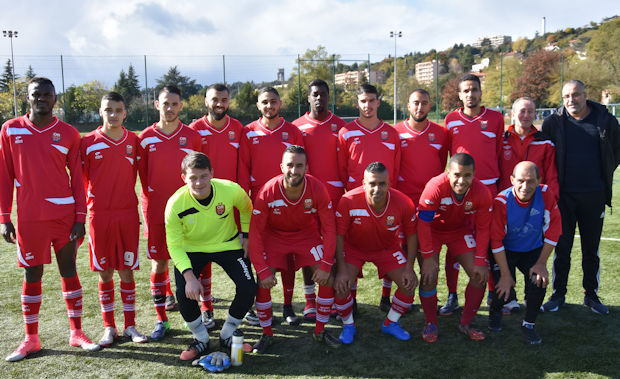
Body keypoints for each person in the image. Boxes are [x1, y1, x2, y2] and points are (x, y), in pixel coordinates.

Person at [1, 77, 99, 362]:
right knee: (32, 274)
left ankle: (77, 332)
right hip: (30, 218)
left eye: (47, 94)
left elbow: (79, 182)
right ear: (28, 97)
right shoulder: (10, 130)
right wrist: (4, 217)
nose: (42, 98)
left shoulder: (69, 133)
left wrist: (80, 216)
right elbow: (4, 176)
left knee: (68, 270)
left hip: (64, 216)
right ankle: (31, 338)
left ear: (55, 99)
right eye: (36, 94)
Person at [249, 145, 341, 353]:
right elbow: (255, 233)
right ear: (282, 166)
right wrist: (262, 269)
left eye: (299, 166)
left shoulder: (317, 188)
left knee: (327, 276)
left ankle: (320, 330)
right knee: (262, 281)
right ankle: (267, 334)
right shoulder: (267, 192)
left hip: (306, 235)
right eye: (289, 165)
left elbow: (328, 228)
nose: (294, 170)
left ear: (307, 167)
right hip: (274, 236)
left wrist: (326, 264)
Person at [165, 152, 256, 360]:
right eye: (193, 177)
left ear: (212, 174)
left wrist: (247, 236)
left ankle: (227, 334)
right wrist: (189, 278)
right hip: (191, 249)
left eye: (204, 176)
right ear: (183, 178)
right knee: (183, 292)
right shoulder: (175, 204)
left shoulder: (230, 189)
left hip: (228, 244)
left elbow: (247, 208)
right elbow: (175, 245)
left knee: (248, 287)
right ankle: (201, 339)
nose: (199, 182)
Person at [541, 80, 620, 315]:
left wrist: (600, 175)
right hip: (563, 196)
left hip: (594, 195)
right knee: (561, 246)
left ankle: (591, 294)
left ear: (586, 95)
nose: (570, 100)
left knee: (591, 248)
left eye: (575, 95)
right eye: (566, 96)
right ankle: (558, 294)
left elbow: (615, 152)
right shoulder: (553, 122)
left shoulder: (605, 119)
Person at [80, 92, 148, 346]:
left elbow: (140, 177)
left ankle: (130, 326)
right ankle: (109, 327)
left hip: (127, 214)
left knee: (127, 270)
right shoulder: (87, 142)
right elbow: (83, 180)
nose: (113, 114)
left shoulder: (134, 141)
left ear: (125, 113)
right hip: (100, 215)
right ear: (101, 112)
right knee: (105, 271)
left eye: (118, 110)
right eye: (108, 110)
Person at [138, 85, 202, 340]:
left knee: (191, 258)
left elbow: (198, 174)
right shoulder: (145, 137)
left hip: (187, 207)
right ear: (157, 105)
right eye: (165, 103)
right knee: (160, 261)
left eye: (175, 104)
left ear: (181, 106)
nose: (170, 108)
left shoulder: (192, 136)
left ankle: (194, 315)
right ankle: (161, 319)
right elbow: (142, 177)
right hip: (155, 208)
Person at [238, 87, 305, 325]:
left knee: (288, 258)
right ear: (258, 105)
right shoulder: (248, 132)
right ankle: (257, 306)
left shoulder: (293, 131)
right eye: (265, 102)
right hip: (259, 204)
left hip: (288, 203)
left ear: (280, 104)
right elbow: (243, 170)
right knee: (260, 257)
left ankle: (288, 306)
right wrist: (246, 203)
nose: (269, 106)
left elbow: (302, 168)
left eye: (273, 101)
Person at [334, 162, 419, 344]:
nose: (377, 189)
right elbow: (339, 236)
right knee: (340, 286)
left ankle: (390, 322)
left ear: (389, 184)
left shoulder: (404, 202)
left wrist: (410, 268)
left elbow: (412, 236)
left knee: (409, 285)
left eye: (382, 184)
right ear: (364, 183)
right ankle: (348, 325)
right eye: (372, 184)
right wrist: (341, 270)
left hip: (387, 249)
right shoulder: (348, 200)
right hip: (354, 249)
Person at [441, 73, 504, 315]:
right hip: (458, 191)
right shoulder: (451, 120)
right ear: (459, 95)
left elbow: (498, 153)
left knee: (486, 243)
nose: (470, 94)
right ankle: (452, 294)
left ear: (480, 92)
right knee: (454, 243)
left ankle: (491, 290)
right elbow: (446, 156)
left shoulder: (496, 119)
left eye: (474, 90)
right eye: (466, 90)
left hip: (487, 190)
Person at [337, 83, 401, 310]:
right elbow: (342, 168)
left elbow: (397, 168)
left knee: (389, 243)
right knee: (353, 248)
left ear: (378, 102)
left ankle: (386, 296)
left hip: (385, 201)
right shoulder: (346, 132)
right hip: (357, 203)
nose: (367, 105)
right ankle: (351, 300)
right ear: (357, 103)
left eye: (371, 100)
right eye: (363, 101)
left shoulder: (391, 133)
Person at [417, 153, 492, 342]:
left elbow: (483, 229)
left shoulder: (482, 192)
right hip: (433, 231)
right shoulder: (435, 186)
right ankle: (430, 322)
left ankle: (466, 322)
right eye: (457, 174)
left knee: (479, 273)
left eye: (467, 175)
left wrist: (481, 261)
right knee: (429, 275)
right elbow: (423, 224)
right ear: (448, 173)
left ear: (474, 174)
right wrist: (427, 258)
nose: (461, 180)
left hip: (459, 231)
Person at [189, 83, 245, 328]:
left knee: (239, 254)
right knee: (204, 256)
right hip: (203, 201)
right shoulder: (195, 130)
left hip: (230, 203)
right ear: (206, 101)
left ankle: (246, 303)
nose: (219, 104)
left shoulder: (238, 129)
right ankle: (207, 307)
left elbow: (242, 166)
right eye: (215, 99)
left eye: (224, 99)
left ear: (229, 101)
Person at [497, 97, 558, 314]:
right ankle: (507, 298)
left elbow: (551, 177)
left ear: (535, 114)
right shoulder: (501, 139)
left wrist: (550, 203)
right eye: (522, 111)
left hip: (534, 207)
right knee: (502, 249)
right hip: (505, 207)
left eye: (530, 111)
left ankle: (531, 297)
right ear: (512, 114)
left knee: (530, 248)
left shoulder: (545, 142)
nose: (526, 115)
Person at [489, 161, 561, 345]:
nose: (525, 186)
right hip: (506, 250)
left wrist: (541, 263)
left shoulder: (545, 194)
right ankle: (495, 311)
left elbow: (554, 230)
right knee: (502, 287)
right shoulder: (502, 201)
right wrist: (505, 274)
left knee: (539, 280)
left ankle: (528, 324)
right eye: (520, 180)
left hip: (532, 249)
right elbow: (496, 240)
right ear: (512, 180)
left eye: (530, 181)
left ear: (539, 181)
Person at [292, 79, 347, 321]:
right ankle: (310, 301)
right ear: (308, 97)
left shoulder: (341, 126)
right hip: (307, 196)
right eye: (315, 94)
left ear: (328, 97)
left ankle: (333, 298)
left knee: (332, 247)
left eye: (323, 94)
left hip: (334, 196)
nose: (319, 98)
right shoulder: (297, 127)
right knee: (308, 247)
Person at [393, 89, 448, 313]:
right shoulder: (395, 132)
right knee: (402, 258)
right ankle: (399, 301)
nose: (420, 107)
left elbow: (442, 165)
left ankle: (429, 312)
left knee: (428, 262)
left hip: (430, 210)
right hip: (405, 206)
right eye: (416, 103)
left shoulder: (441, 133)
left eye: (424, 103)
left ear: (430, 106)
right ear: (408, 105)